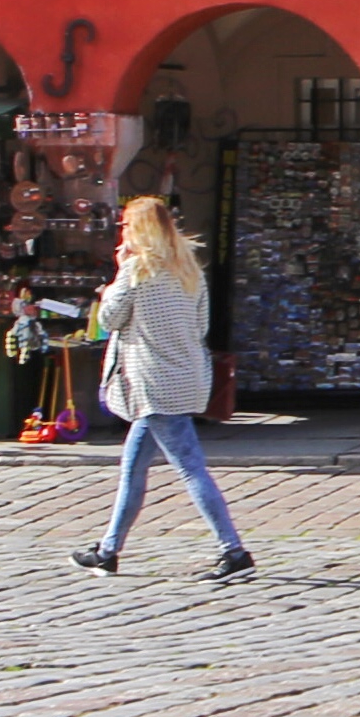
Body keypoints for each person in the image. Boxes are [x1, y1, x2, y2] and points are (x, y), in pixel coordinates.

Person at [73, 195, 253, 580]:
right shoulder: (189, 270)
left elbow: (110, 318)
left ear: (139, 231)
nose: (121, 233)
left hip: (155, 386)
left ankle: (232, 550)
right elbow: (201, 325)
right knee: (133, 468)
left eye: (125, 225)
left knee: (190, 468)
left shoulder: (136, 270)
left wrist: (115, 277)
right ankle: (108, 550)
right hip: (185, 377)